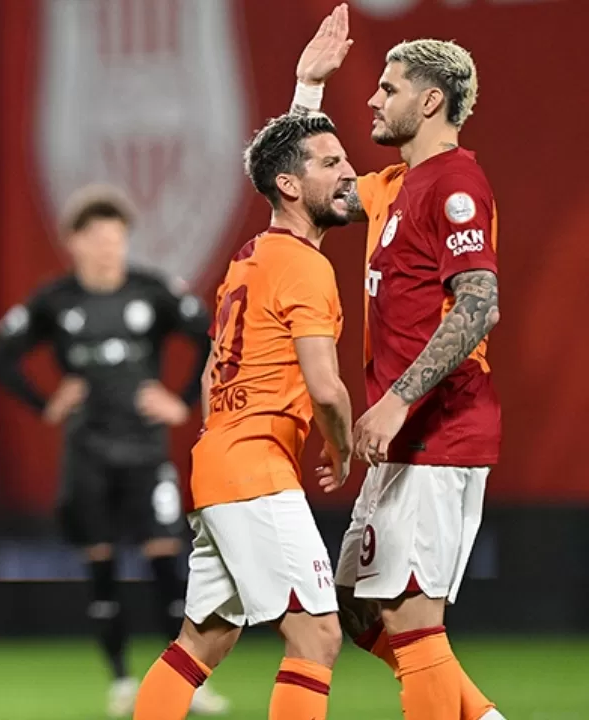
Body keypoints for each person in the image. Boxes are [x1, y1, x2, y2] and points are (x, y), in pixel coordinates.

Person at [292, 7, 504, 719]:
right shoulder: (391, 185)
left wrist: (398, 399)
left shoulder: (455, 185)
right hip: (402, 438)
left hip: (440, 429)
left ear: (431, 100)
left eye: (389, 88)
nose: (373, 99)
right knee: (357, 608)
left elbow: (479, 304)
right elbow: (302, 189)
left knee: (413, 621)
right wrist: (307, 89)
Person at [133, 112, 357, 719]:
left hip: (219, 461)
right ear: (289, 185)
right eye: (331, 163)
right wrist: (342, 446)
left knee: (202, 641)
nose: (349, 172)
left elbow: (212, 372)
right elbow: (327, 388)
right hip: (256, 469)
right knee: (317, 635)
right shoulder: (305, 266)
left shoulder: (251, 256)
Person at [0, 185, 224, 717]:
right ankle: (120, 679)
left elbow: (210, 336)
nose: (107, 248)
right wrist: (47, 403)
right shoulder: (56, 301)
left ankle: (186, 682)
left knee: (166, 562)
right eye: (96, 238)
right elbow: (1, 358)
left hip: (145, 451)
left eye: (116, 238)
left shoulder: (151, 292)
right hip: (88, 453)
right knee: (101, 566)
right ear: (74, 242)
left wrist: (182, 401)